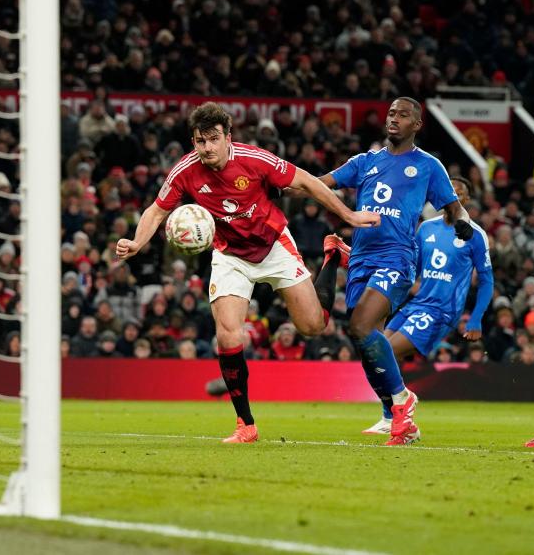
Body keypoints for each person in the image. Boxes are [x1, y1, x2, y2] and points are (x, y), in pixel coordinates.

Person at [116, 102, 379, 444]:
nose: (206, 148)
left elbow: (309, 183)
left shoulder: (256, 160)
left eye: (212, 139)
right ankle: (246, 424)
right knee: (228, 335)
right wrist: (137, 242)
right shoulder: (184, 171)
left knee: (313, 326)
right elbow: (156, 210)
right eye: (199, 141)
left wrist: (350, 216)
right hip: (230, 256)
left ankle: (331, 255)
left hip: (273, 245)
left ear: (228, 137)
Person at [315, 97, 474, 446]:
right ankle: (393, 416)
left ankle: (403, 400)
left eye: (403, 115)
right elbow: (322, 182)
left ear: (416, 125)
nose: (394, 119)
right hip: (360, 260)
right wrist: (281, 182)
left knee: (360, 325)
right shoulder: (366, 162)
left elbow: (454, 207)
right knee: (363, 339)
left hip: (397, 257)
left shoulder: (428, 166)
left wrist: (463, 226)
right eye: (391, 113)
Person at [360, 177, 493, 435]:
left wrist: (476, 318)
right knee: (370, 350)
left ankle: (402, 409)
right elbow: (413, 270)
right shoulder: (426, 229)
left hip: (442, 311)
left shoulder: (475, 234)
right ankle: (391, 416)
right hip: (417, 304)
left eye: (459, 192)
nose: (452, 194)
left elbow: (486, 280)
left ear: (466, 200)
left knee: (386, 349)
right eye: (449, 189)